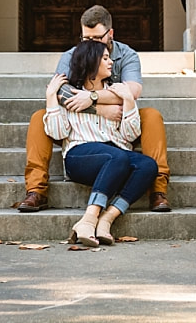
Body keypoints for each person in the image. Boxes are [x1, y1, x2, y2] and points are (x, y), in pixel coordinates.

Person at [17, 5, 172, 213]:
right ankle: (36, 190)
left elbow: (132, 91)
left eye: (96, 39)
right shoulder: (73, 55)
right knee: (39, 117)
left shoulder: (127, 55)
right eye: (85, 39)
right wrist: (98, 110)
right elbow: (61, 93)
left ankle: (158, 190)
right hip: (82, 127)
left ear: (110, 34)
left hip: (120, 119)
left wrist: (92, 98)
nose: (90, 44)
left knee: (152, 116)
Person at [43, 39, 158, 246]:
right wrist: (51, 97)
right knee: (118, 156)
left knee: (147, 165)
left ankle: (107, 219)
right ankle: (88, 219)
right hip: (80, 155)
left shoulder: (118, 92)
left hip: (116, 156)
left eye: (110, 57)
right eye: (105, 58)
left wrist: (129, 101)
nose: (111, 62)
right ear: (91, 60)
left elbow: (130, 136)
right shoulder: (69, 94)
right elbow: (58, 132)